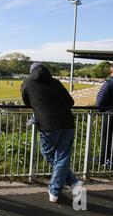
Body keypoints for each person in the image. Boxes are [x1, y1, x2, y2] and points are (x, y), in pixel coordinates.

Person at [21, 63, 81, 203]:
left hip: (47, 124)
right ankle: (73, 182)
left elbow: (26, 102)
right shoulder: (56, 82)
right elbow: (70, 102)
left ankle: (55, 190)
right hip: (67, 123)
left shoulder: (27, 83)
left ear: (31, 71)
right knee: (62, 157)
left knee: (49, 154)